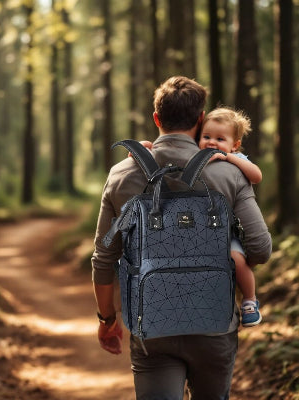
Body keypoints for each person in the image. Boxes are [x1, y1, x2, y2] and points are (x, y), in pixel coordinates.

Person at [91, 76, 272, 400]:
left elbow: (104, 257)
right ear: (200, 118)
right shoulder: (230, 172)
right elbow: (261, 247)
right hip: (214, 322)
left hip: (151, 324)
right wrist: (233, 262)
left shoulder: (123, 173)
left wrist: (107, 318)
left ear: (156, 119)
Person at [199, 107, 262, 327]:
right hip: (202, 227)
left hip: (228, 230)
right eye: (206, 137)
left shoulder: (236, 158)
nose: (211, 143)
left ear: (234, 144)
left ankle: (250, 300)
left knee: (236, 257)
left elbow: (256, 176)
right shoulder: (196, 156)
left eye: (219, 139)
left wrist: (230, 159)